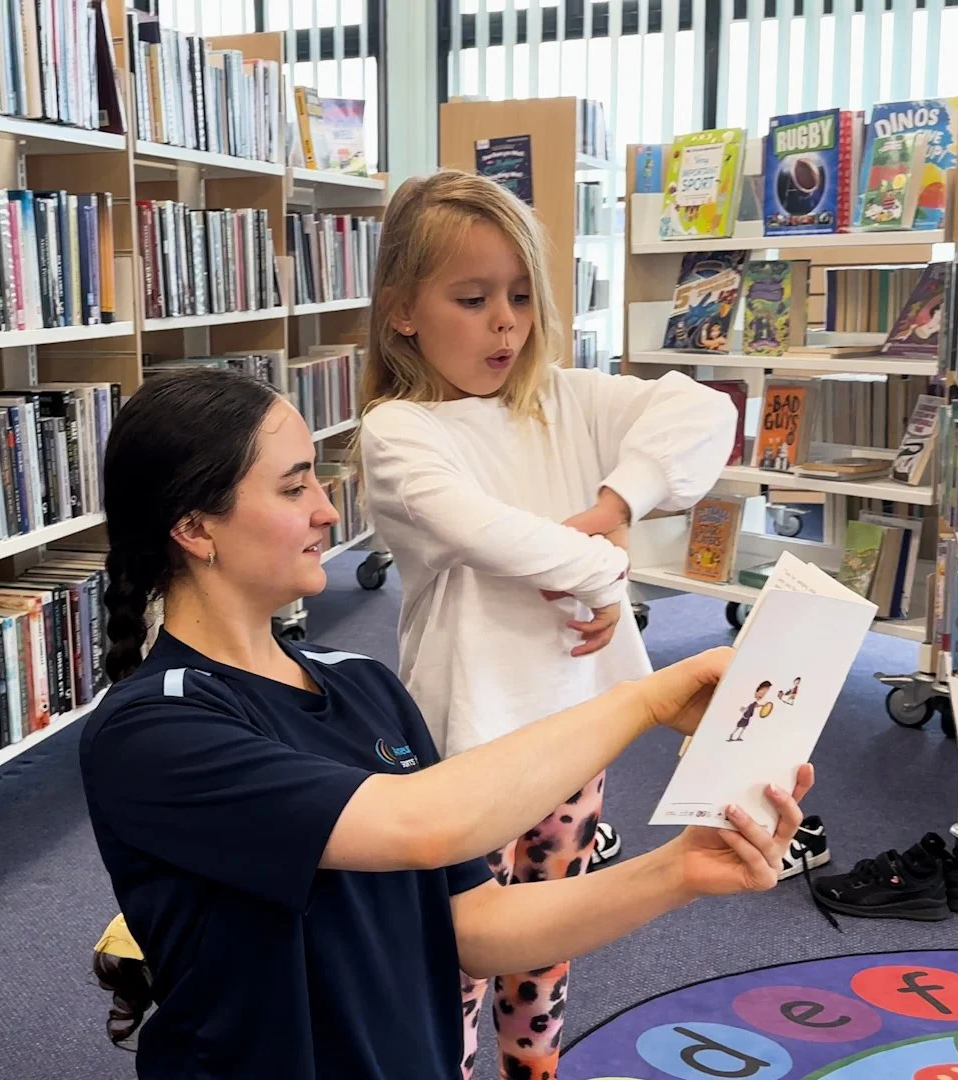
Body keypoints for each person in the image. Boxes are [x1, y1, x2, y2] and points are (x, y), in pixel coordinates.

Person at [79, 367, 810, 1080]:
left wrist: (679, 868)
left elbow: (478, 927)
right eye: (294, 485)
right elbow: (424, 823)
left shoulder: (363, 683)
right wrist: (643, 700)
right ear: (194, 527)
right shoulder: (152, 733)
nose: (327, 510)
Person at [356, 170, 739, 1076]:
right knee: (458, 953)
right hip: (471, 745)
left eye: (522, 296)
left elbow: (707, 411)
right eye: (473, 298)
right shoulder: (401, 429)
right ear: (404, 310)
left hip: (578, 732)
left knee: (547, 945)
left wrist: (615, 502)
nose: (505, 323)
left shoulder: (563, 398)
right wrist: (608, 573)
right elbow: (485, 533)